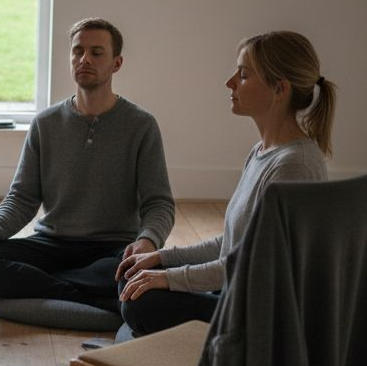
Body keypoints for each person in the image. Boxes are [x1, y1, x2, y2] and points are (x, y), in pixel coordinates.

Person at [116, 30, 334, 335]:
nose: (230, 82)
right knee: (134, 270)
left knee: (141, 304)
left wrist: (168, 278)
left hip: (262, 316)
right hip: (235, 292)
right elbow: (231, 245)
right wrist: (161, 258)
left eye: (243, 75)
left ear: (279, 89)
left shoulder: (294, 166)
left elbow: (250, 269)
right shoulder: (262, 153)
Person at [0, 18, 175, 310]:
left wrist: (148, 240)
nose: (84, 59)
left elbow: (159, 203)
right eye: (78, 51)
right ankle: (89, 296)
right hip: (52, 244)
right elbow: (21, 199)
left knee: (137, 271)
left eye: (96, 53)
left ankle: (47, 284)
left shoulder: (141, 125)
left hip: (112, 248)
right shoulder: (45, 123)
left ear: (116, 63)